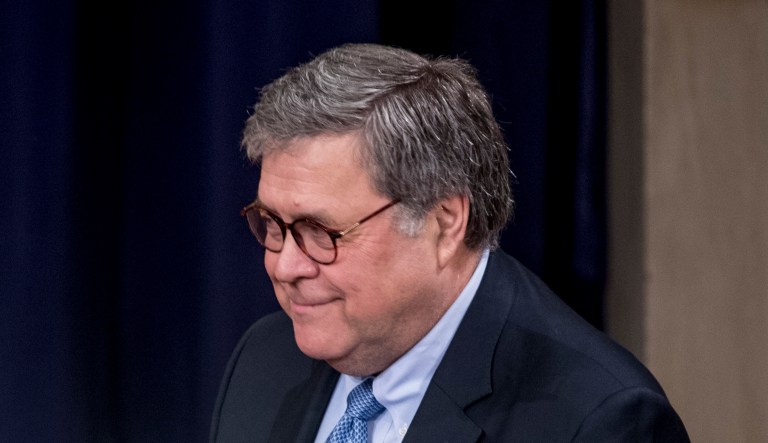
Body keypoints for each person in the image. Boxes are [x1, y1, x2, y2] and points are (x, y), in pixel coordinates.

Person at [210, 43, 689, 442]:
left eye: (321, 232)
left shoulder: (598, 422)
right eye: (272, 223)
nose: (285, 266)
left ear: (443, 222)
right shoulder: (264, 359)